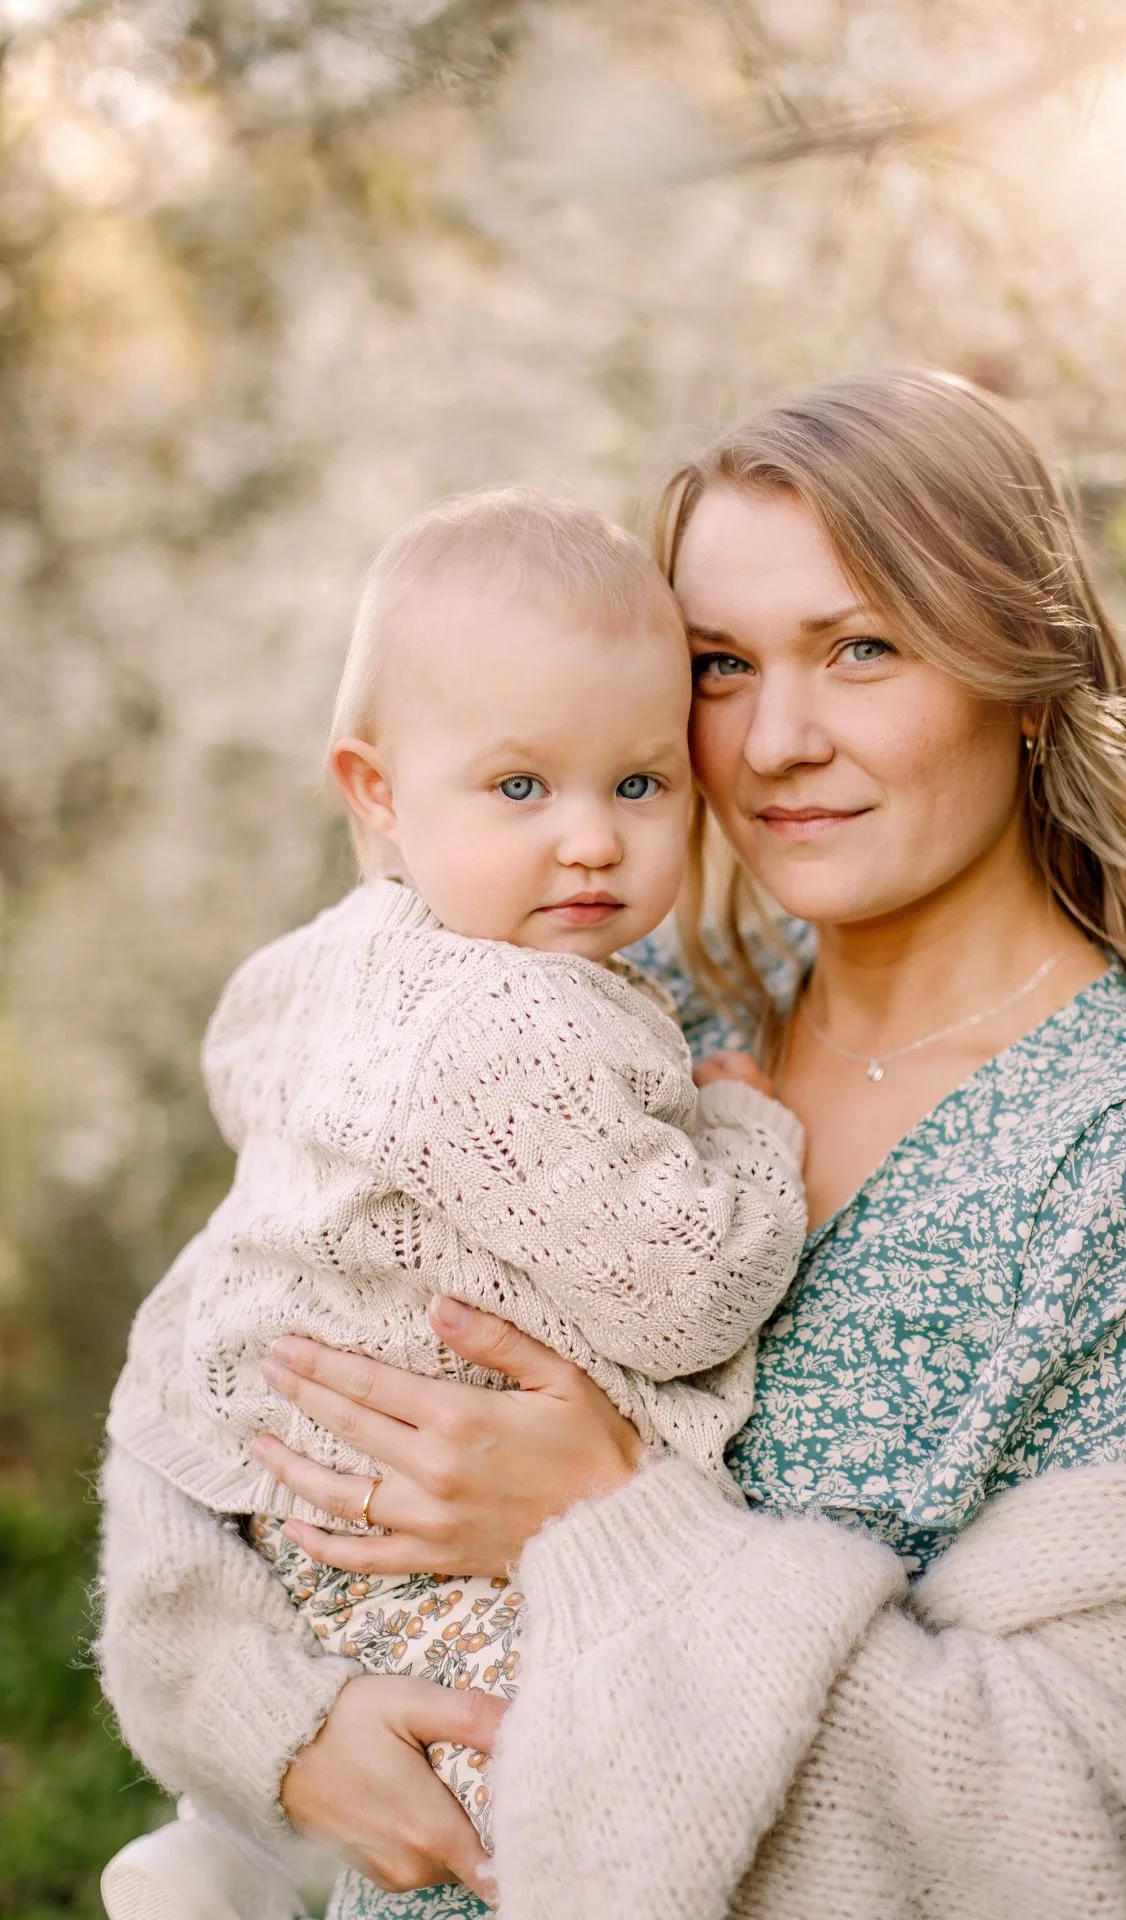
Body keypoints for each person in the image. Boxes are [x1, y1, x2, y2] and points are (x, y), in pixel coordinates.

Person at [98, 370, 1126, 1920]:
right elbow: (205, 1366)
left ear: (1021, 667)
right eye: (724, 666)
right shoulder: (609, 1013)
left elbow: (1115, 1849)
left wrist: (619, 1532)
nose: (779, 741)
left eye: (861, 648)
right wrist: (268, 1726)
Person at [101, 487, 807, 1902]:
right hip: (412, 1542)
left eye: (639, 783)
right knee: (571, 1778)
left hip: (280, 1498)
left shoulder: (346, 960)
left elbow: (249, 1062)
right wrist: (746, 1125)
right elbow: (685, 1295)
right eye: (521, 787)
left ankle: (232, 1854)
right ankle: (259, 1863)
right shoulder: (522, 1024)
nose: (594, 841)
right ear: (377, 793)